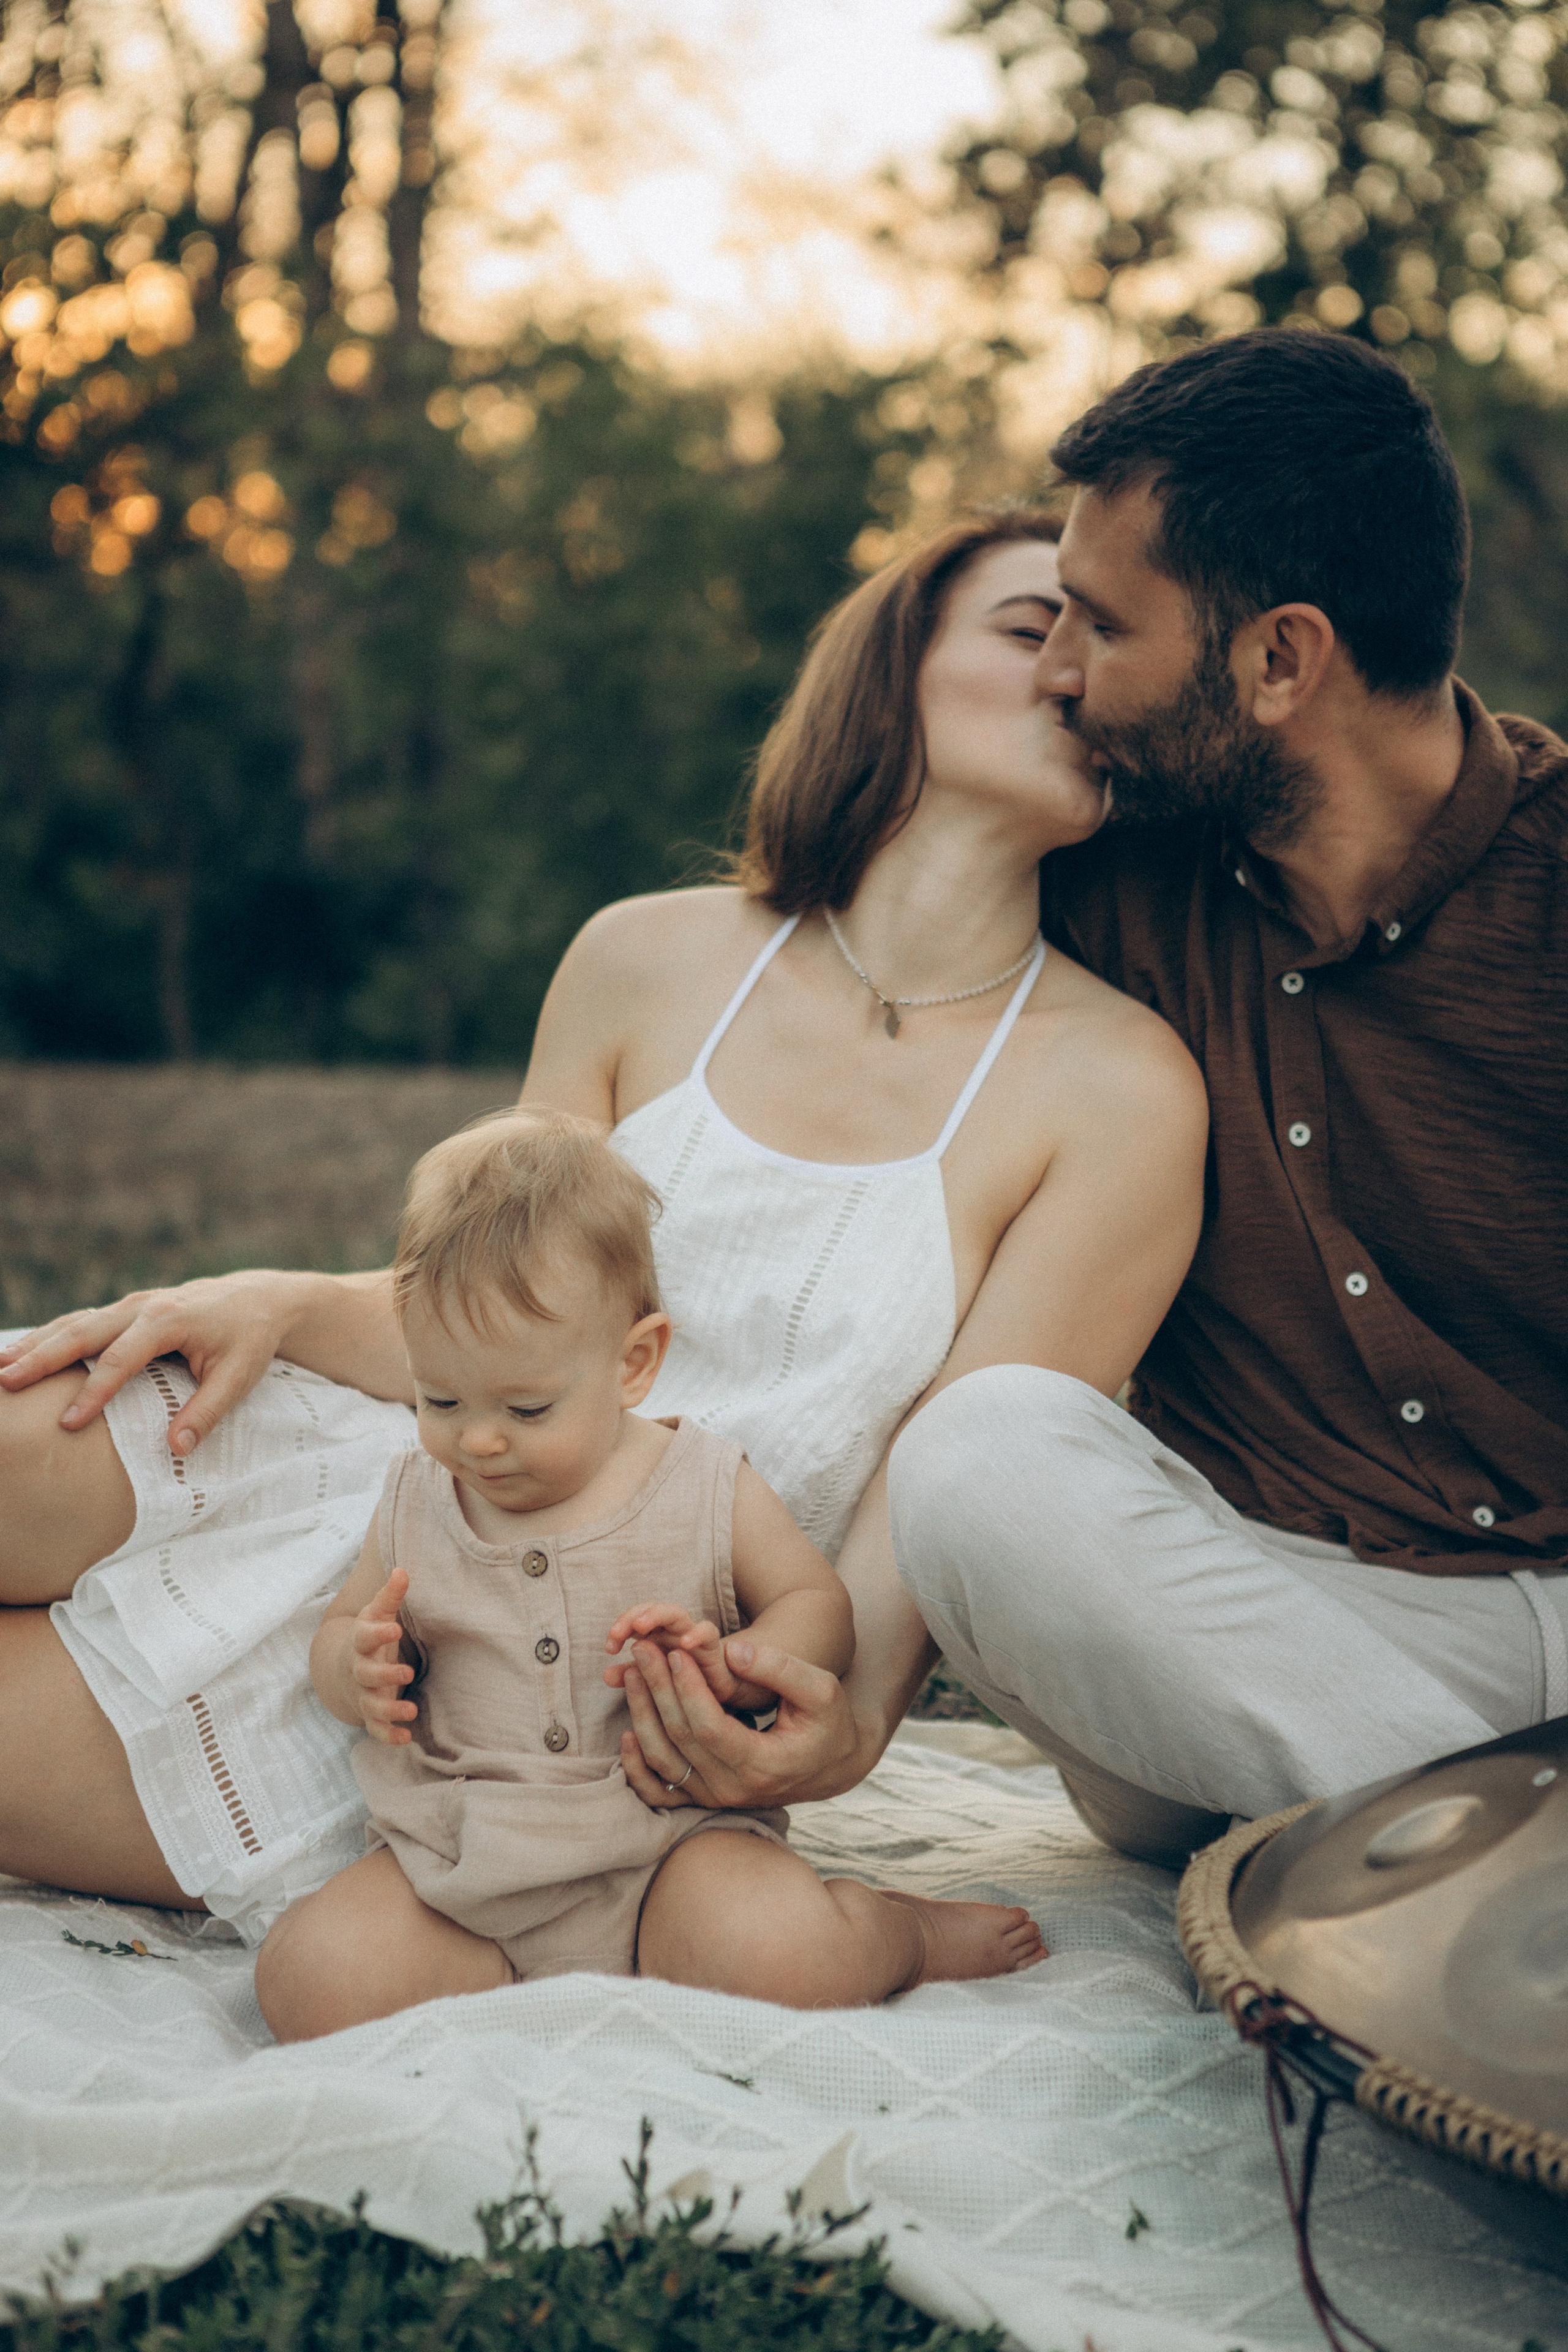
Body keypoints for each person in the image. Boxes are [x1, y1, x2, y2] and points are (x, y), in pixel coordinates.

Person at [0, 507, 1207, 1937]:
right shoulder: (644, 955)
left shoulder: (1124, 1091)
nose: (1074, 667)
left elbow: (951, 1494)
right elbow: (490, 1308)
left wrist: (845, 1721)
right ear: (897, 664)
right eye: (1027, 627)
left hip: (551, 1658)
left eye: (1107, 639)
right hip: (396, 1458)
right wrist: (280, 1298)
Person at [882, 328, 1568, 1866]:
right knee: (979, 1461)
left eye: (1101, 628)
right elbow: (817, 999)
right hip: (1259, 1617)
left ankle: (1402, 1865)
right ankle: (1497, 1882)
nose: (1057, 674)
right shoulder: (1098, 889)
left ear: (1277, 658)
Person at [256, 1108, 1044, 2039]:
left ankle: (897, 1934)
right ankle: (504, 1982)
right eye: (441, 1397)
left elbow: (817, 1609)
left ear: (633, 1363)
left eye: (527, 1405)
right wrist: (357, 1669)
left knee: (782, 1958)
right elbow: (340, 1629)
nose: (477, 1437)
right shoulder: (417, 1496)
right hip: (466, 1856)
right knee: (308, 1983)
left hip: (676, 1839)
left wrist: (738, 1661)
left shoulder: (704, 1480)